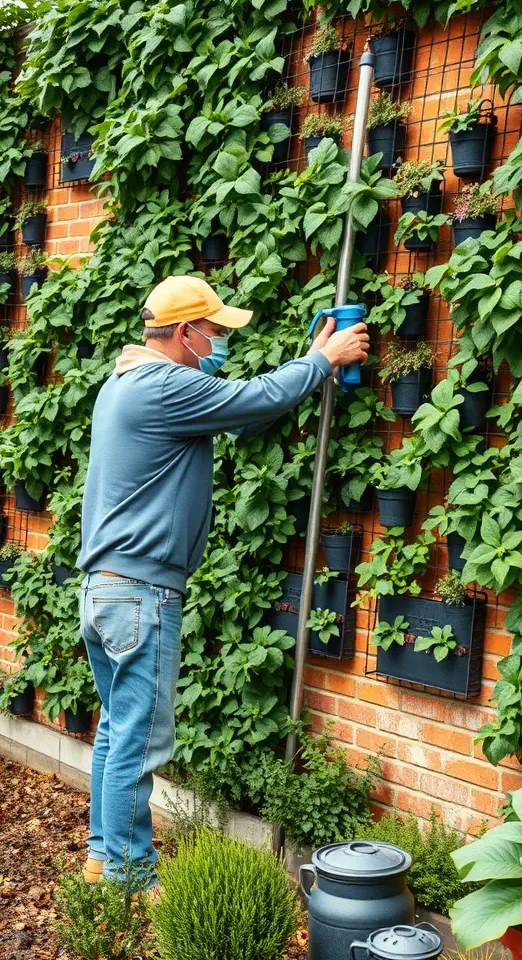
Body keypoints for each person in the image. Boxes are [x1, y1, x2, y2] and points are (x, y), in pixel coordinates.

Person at [77, 274, 369, 889]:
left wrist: (309, 365)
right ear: (183, 332)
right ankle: (132, 879)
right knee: (140, 740)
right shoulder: (161, 385)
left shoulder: (126, 382)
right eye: (212, 331)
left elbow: (240, 416)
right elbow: (250, 398)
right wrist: (322, 359)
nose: (219, 341)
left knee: (116, 730)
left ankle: (104, 858)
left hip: (108, 590)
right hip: (140, 593)